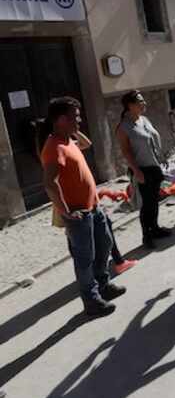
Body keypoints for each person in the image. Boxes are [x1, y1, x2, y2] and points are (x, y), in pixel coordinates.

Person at [41, 97, 127, 317]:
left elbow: (87, 144)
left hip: (93, 207)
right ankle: (91, 300)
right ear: (60, 119)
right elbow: (50, 183)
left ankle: (103, 285)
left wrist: (73, 130)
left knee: (105, 244)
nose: (79, 119)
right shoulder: (54, 147)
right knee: (84, 259)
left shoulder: (68, 141)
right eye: (74, 116)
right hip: (78, 214)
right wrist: (65, 212)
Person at [116, 90, 173, 250]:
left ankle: (155, 229)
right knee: (146, 204)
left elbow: (153, 140)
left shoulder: (144, 120)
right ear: (130, 105)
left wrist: (162, 158)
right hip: (142, 169)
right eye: (140, 101)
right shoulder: (123, 127)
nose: (144, 103)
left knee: (154, 201)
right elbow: (126, 152)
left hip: (154, 166)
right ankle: (146, 236)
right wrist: (136, 171)